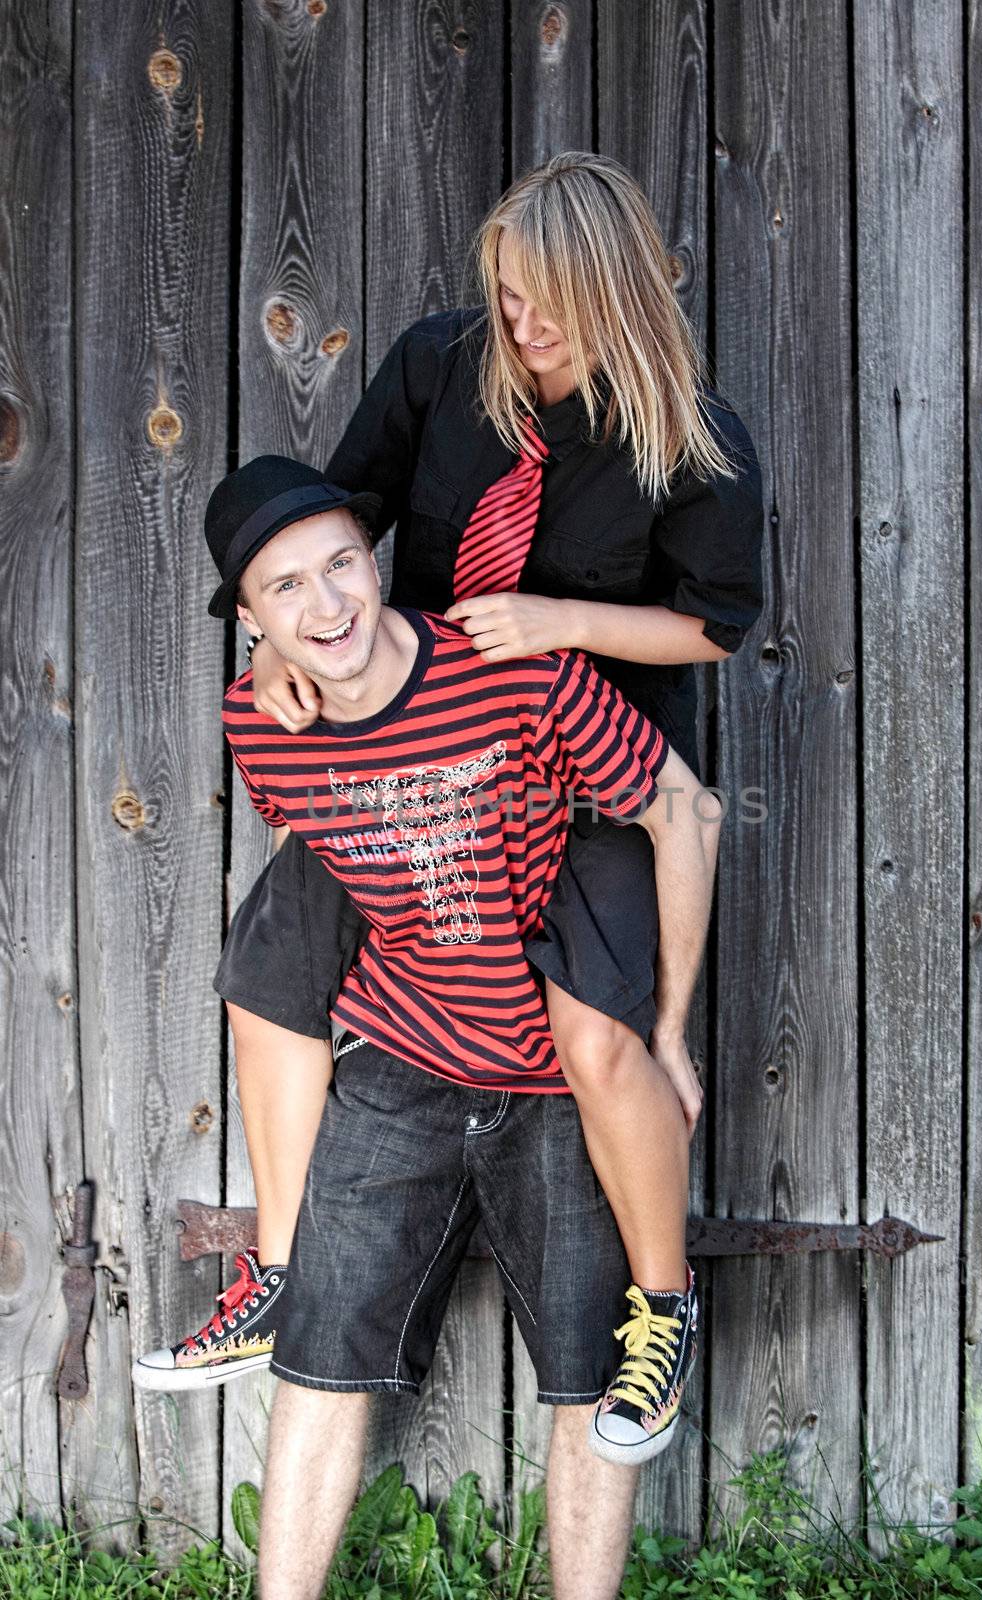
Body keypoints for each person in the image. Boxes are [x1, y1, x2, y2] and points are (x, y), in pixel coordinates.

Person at [134, 154, 764, 1453]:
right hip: (407, 751)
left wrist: (555, 622)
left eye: (549, 308)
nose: (521, 331)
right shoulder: (439, 365)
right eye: (507, 298)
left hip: (584, 770)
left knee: (601, 1034)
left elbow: (710, 628)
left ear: (620, 295)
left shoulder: (688, 441)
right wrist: (275, 647)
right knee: (265, 963)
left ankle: (659, 1310)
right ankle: (274, 1276)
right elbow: (330, 514)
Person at [196, 455, 718, 1597]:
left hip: (553, 1079)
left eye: (341, 564)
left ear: (372, 557)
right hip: (398, 1061)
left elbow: (685, 806)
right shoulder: (260, 722)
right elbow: (330, 859)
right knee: (318, 1357)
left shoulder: (510, 671)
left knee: (595, 1379)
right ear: (248, 618)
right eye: (285, 589)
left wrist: (666, 1027)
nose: (327, 605)